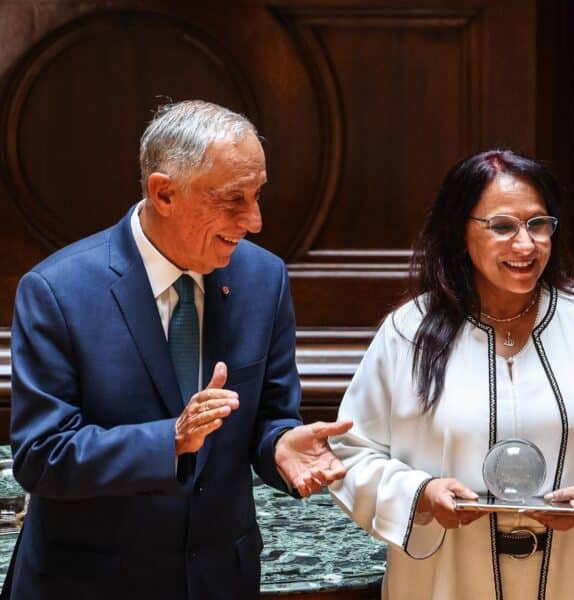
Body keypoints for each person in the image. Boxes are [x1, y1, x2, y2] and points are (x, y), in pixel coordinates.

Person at [6, 100, 352, 599]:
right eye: (233, 200)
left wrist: (279, 446)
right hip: (90, 582)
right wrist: (169, 440)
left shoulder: (263, 278)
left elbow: (271, 418)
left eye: (257, 196)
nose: (254, 221)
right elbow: (42, 456)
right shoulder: (58, 292)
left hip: (219, 579)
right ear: (164, 193)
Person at [327, 149, 574, 599]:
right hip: (448, 578)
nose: (526, 245)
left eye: (538, 224)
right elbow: (351, 454)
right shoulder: (409, 332)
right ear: (460, 231)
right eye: (503, 227)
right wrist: (420, 493)